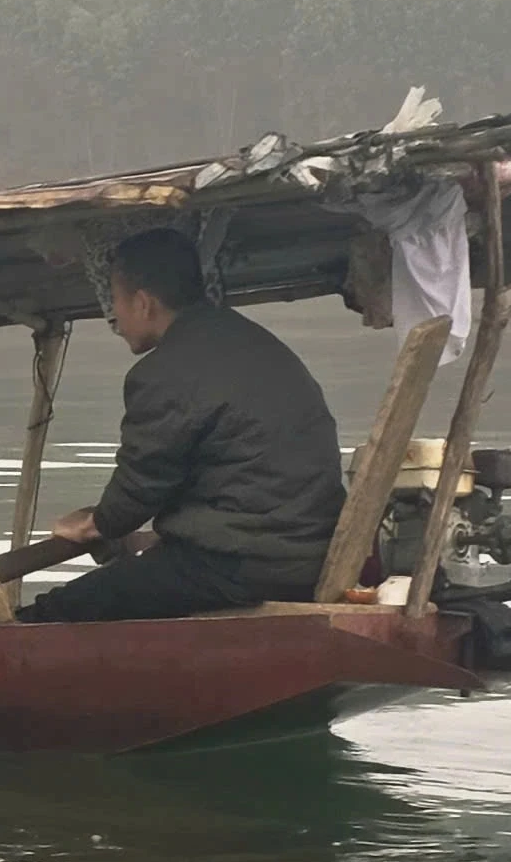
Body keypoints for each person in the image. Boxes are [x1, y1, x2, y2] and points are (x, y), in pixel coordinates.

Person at [19, 228, 345, 622]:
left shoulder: (163, 373)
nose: (115, 320)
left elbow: (143, 482)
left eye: (116, 303)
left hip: (245, 564)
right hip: (307, 550)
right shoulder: (255, 342)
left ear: (143, 303)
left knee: (58, 610)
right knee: (131, 578)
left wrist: (96, 524)